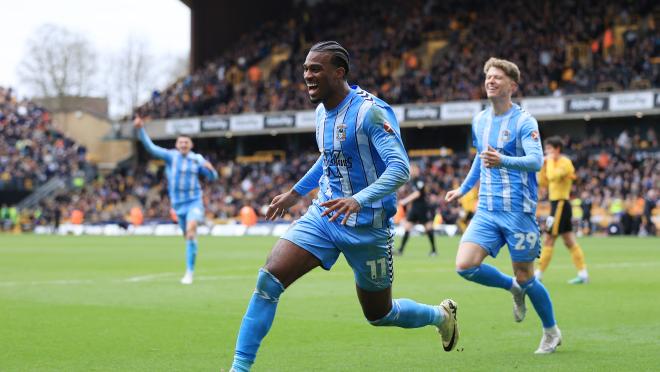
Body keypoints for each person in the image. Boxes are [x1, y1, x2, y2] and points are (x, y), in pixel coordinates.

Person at [230, 41, 459, 372]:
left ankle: (440, 316)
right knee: (269, 280)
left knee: (380, 314)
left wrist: (358, 199)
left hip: (367, 227)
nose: (307, 75)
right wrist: (295, 193)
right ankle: (240, 368)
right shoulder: (322, 111)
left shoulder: (371, 112)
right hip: (324, 216)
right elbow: (328, 157)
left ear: (339, 73)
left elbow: (400, 167)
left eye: (315, 69)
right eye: (306, 69)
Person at [445, 57, 560, 354]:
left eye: (497, 77)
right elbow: (480, 157)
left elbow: (537, 161)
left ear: (512, 85)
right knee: (465, 266)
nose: (490, 81)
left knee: (528, 276)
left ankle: (551, 332)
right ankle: (512, 287)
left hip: (519, 213)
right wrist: (464, 188)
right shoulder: (480, 119)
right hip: (486, 210)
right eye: (488, 77)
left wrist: (504, 159)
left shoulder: (524, 121)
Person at [134, 117, 218, 284]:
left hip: (194, 201)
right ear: (177, 145)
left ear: (191, 145)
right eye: (181, 143)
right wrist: (140, 130)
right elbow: (151, 147)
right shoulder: (170, 157)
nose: (183, 145)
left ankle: (189, 272)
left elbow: (212, 177)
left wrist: (211, 169)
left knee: (191, 229)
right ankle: (192, 243)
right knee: (188, 236)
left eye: (186, 142)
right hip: (178, 205)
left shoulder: (197, 159)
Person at [535, 136, 589, 284]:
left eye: (549, 149)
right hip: (557, 204)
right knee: (569, 240)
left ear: (557, 149)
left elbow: (553, 176)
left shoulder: (565, 163)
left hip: (560, 204)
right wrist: (543, 167)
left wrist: (549, 161)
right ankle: (583, 274)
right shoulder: (552, 163)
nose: (547, 152)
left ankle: (538, 274)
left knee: (549, 238)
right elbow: (543, 182)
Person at [395, 166, 438, 256]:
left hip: (422, 207)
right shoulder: (412, 181)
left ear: (417, 170)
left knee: (428, 228)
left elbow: (417, 194)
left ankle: (434, 250)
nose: (411, 171)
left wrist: (404, 201)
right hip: (415, 207)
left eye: (412, 169)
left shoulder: (419, 180)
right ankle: (400, 250)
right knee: (407, 227)